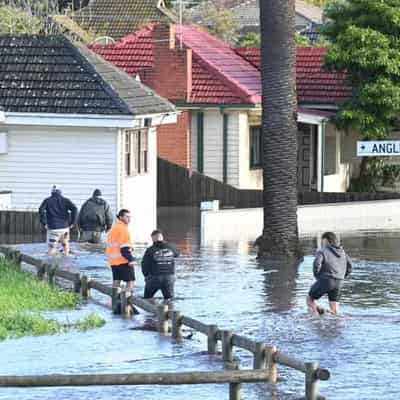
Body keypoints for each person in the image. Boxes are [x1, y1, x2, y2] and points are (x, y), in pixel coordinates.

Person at [307, 232, 352, 316]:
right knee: (334, 309)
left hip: (326, 280)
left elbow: (316, 264)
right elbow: (350, 266)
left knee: (309, 299)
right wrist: (342, 276)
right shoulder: (342, 252)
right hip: (339, 282)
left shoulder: (323, 251)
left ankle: (315, 317)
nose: (322, 243)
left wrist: (317, 276)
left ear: (326, 241)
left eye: (322, 241)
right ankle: (333, 322)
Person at [39, 185, 78, 256]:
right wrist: (72, 222)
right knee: (65, 246)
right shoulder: (66, 200)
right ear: (60, 191)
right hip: (64, 228)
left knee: (52, 248)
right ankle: (66, 265)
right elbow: (75, 209)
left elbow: (41, 210)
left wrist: (44, 223)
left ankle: (51, 265)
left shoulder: (47, 201)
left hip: (53, 228)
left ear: (51, 192)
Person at [141, 230, 179, 301]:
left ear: (153, 238)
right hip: (169, 278)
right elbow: (177, 254)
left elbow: (144, 265)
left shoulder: (150, 250)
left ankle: (149, 310)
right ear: (162, 237)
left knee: (147, 299)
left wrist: (146, 276)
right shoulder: (172, 247)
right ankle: (170, 310)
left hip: (154, 278)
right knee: (169, 300)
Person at [106, 209, 135, 291]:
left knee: (116, 281)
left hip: (113, 261)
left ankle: (114, 300)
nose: (129, 219)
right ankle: (126, 301)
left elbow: (114, 245)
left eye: (130, 217)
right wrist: (131, 259)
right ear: (121, 217)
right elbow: (124, 249)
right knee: (130, 282)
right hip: (123, 260)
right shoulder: (123, 229)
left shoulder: (113, 228)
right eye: (127, 217)